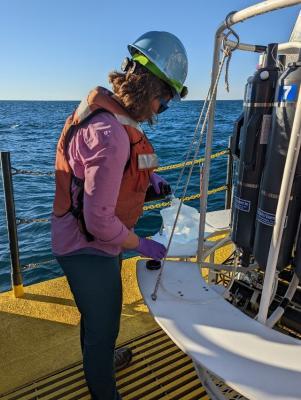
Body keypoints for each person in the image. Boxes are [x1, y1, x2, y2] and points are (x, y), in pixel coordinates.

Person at [51, 30, 188, 400]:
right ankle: (103, 387)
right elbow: (97, 222)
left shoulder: (111, 116)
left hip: (89, 240)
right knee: (103, 325)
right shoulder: (109, 133)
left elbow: (111, 169)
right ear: (152, 90)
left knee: (96, 317)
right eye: (166, 101)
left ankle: (100, 360)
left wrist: (151, 179)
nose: (163, 110)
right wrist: (142, 244)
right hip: (85, 247)